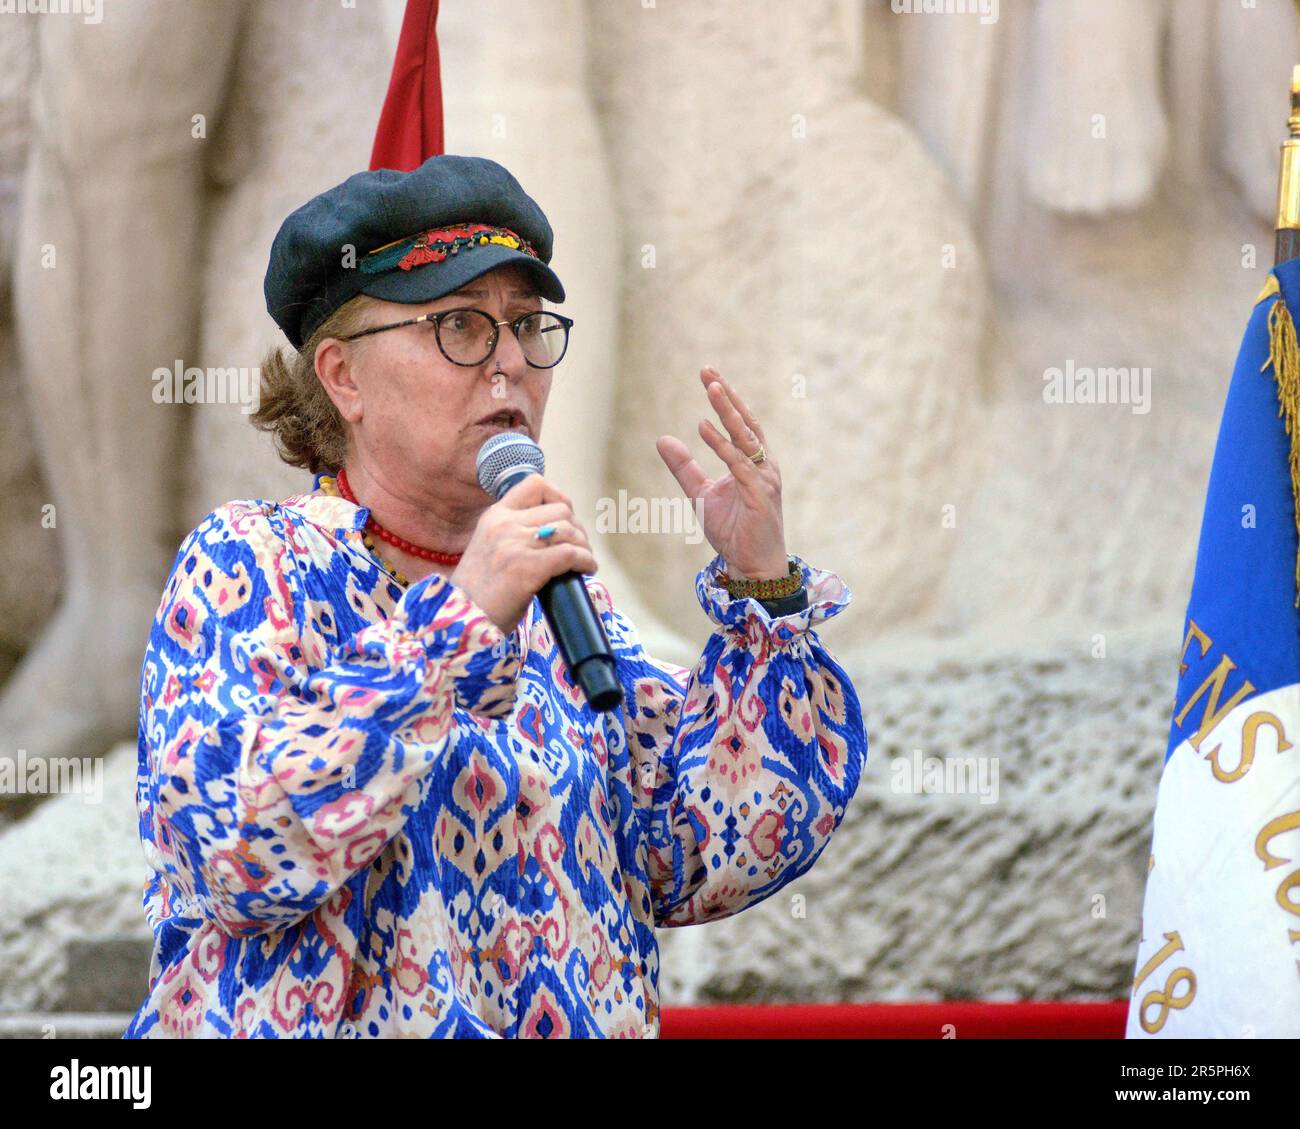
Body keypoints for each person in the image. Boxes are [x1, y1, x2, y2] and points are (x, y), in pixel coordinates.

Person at [122, 154, 867, 1038]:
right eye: (462, 326)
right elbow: (232, 851)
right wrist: (456, 628)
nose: (511, 360)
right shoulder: (253, 562)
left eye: (527, 326)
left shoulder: (560, 605)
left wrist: (762, 588)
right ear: (343, 375)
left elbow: (703, 850)